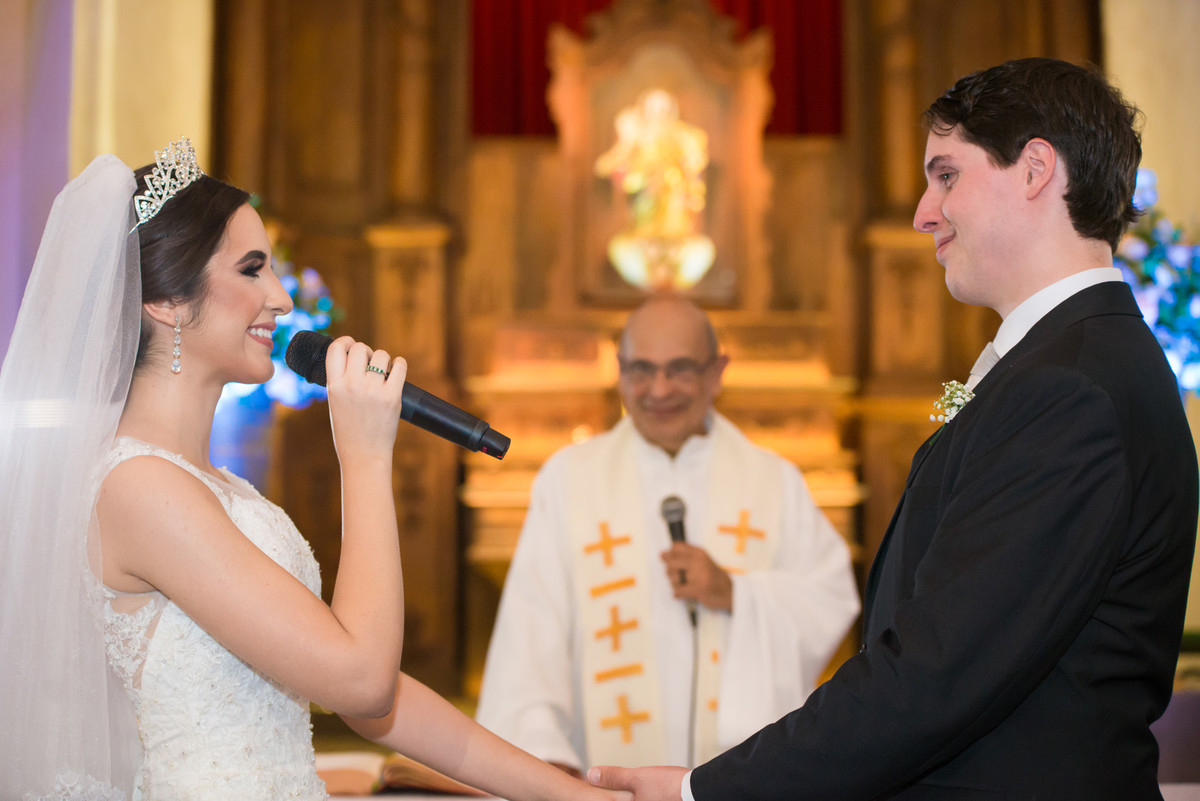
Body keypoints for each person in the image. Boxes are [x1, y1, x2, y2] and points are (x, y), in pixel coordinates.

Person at [588, 57, 1200, 801]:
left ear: (1036, 168)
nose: (922, 211)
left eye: (946, 175)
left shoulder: (1068, 388)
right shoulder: (1076, 362)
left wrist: (703, 791)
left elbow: (936, 672)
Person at [0, 139, 630, 801]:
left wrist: (575, 794)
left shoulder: (218, 486)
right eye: (251, 270)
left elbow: (374, 702)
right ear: (167, 302)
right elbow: (361, 678)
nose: (279, 297)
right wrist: (364, 454)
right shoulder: (137, 486)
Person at [475, 294, 860, 776]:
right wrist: (543, 754)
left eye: (680, 369)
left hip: (735, 779)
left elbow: (828, 599)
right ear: (618, 371)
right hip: (604, 779)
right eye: (641, 369)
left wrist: (735, 593)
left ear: (717, 371)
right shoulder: (570, 479)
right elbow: (531, 631)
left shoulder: (772, 481)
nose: (659, 389)